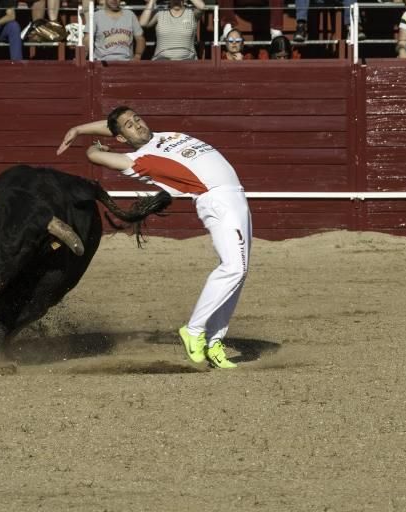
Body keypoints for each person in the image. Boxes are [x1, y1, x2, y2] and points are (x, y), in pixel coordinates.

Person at [56, 106, 252, 369]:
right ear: (122, 139)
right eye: (129, 126)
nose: (136, 124)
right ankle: (194, 330)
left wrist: (80, 129)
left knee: (238, 272)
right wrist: (94, 150)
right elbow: (97, 155)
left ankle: (214, 342)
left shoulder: (162, 137)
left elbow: (114, 125)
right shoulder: (138, 160)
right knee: (233, 268)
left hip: (234, 197)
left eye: (137, 119)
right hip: (217, 200)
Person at [139, 0, 205, 60]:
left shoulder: (191, 12)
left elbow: (202, 7)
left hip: (188, 60)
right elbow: (142, 23)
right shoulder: (160, 12)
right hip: (161, 61)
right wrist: (152, 1)